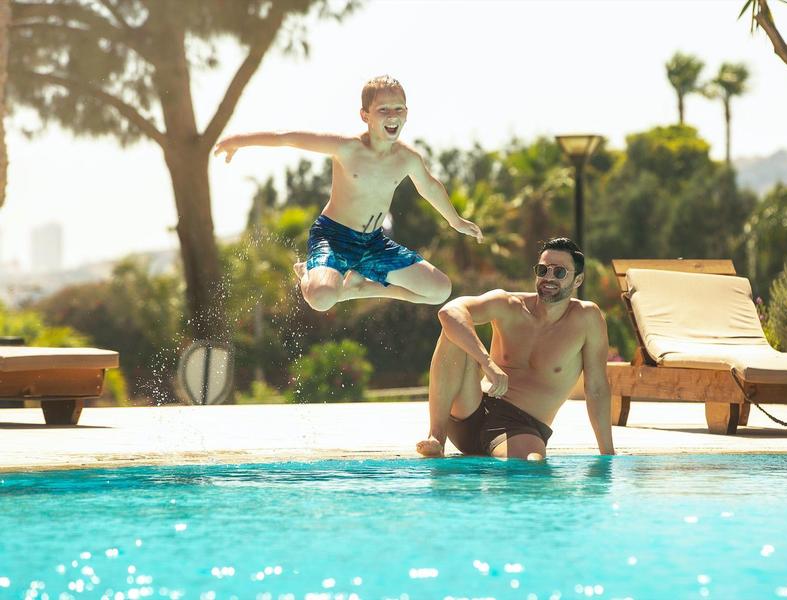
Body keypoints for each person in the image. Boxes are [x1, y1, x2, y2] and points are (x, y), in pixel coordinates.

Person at [213, 75, 482, 312]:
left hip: (374, 243)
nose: (392, 116)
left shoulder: (407, 158)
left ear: (407, 113)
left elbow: (430, 187)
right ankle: (308, 271)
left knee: (439, 291)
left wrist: (455, 221)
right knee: (321, 298)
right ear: (365, 115)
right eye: (383, 109)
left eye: (398, 109)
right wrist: (239, 141)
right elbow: (287, 137)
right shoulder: (346, 148)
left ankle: (359, 288)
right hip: (333, 237)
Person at [416, 237, 615, 460]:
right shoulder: (509, 305)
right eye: (542, 270)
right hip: (471, 410)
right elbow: (449, 311)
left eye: (559, 272)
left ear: (578, 281)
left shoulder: (587, 319)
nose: (548, 278)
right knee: (454, 330)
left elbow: (597, 387)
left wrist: (607, 456)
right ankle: (437, 437)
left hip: (521, 428)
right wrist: (488, 364)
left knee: (530, 467)